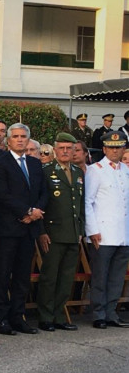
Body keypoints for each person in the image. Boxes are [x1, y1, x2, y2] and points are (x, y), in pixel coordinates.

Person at [0, 123, 47, 336]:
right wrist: (26, 211)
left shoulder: (34, 163)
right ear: (8, 140)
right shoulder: (0, 163)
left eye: (24, 136)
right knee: (3, 275)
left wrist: (36, 211)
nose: (20, 140)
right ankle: (1, 319)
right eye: (15, 136)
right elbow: (2, 194)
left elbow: (43, 191)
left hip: (29, 228)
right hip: (8, 227)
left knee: (23, 276)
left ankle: (18, 317)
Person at [37, 133, 84, 332]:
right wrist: (41, 232)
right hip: (53, 233)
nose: (65, 151)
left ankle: (58, 315)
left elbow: (80, 205)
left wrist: (80, 230)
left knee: (66, 278)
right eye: (62, 148)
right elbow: (39, 203)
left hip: (73, 233)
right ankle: (45, 317)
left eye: (69, 148)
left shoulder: (78, 172)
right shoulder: (46, 171)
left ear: (75, 150)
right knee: (50, 277)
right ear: (55, 150)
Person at [84, 131, 129, 329]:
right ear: (104, 149)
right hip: (102, 233)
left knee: (117, 277)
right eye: (111, 147)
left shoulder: (126, 170)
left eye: (118, 147)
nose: (115, 151)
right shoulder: (96, 169)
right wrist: (92, 230)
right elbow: (87, 202)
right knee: (100, 277)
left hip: (123, 234)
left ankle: (111, 313)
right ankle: (98, 313)